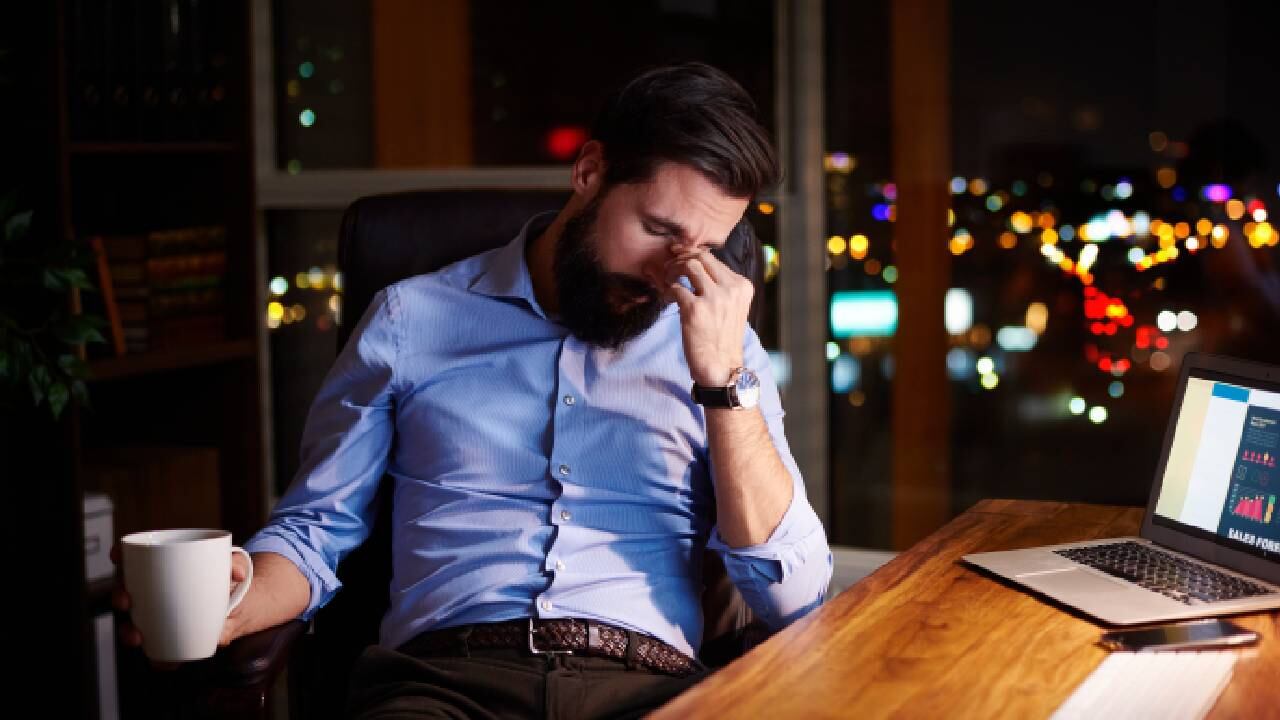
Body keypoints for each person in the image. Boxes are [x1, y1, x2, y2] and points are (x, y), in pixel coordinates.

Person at [114, 62, 832, 719]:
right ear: (589, 170)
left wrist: (721, 384)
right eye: (656, 230)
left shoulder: (722, 351)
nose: (668, 273)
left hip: (650, 688)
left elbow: (794, 598)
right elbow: (313, 535)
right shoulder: (410, 320)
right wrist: (233, 601)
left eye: (701, 251)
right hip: (442, 686)